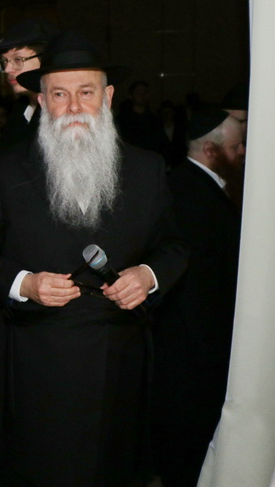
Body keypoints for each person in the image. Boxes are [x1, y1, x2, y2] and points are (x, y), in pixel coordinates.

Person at [0, 30, 187, 487]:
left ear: (108, 97)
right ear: (42, 101)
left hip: (120, 360)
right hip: (37, 360)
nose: (73, 106)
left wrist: (148, 275)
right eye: (59, 94)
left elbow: (174, 246)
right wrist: (24, 283)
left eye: (86, 92)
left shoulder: (147, 168)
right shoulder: (6, 169)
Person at [152, 109, 244, 487]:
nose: (242, 153)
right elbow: (193, 285)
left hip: (197, 349)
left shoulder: (200, 185)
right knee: (187, 450)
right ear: (210, 149)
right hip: (192, 352)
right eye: (236, 147)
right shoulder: (187, 194)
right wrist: (212, 351)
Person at [0, 18, 56, 149]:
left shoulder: (60, 113)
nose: (7, 69)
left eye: (18, 59)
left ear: (46, 60)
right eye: (4, 61)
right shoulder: (18, 111)